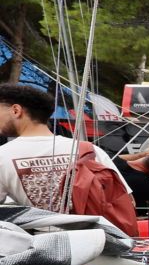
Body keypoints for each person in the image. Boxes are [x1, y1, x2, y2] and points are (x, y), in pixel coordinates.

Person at [0, 81, 128, 210]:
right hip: (100, 229)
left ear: (16, 110)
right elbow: (127, 201)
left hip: (41, 230)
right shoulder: (89, 150)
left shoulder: (3, 155)